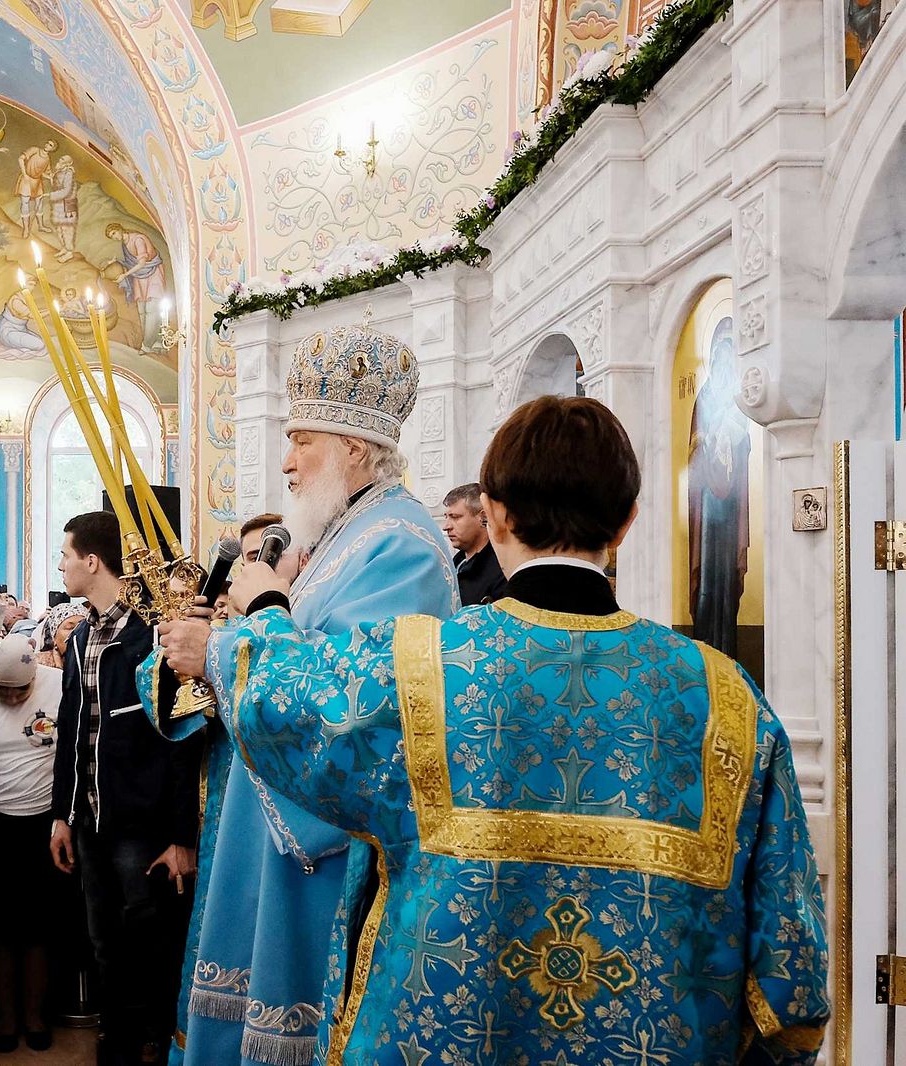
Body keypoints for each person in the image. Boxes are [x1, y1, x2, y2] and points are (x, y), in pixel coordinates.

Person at [162, 396, 831, 1063]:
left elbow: (287, 702)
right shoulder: (728, 699)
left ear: (496, 515)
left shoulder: (418, 667)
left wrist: (264, 617)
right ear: (626, 521)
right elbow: (790, 977)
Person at [142, 327, 457, 1066]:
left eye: (300, 440)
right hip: (266, 836)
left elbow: (353, 712)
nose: (285, 462)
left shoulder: (400, 544)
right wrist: (201, 655)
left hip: (322, 859)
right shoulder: (349, 536)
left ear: (352, 447)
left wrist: (241, 633)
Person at [49, 511, 201, 1066]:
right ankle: (114, 1044)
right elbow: (73, 731)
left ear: (92, 562)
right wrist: (60, 815)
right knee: (104, 946)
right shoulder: (83, 636)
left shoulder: (151, 639)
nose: (61, 564)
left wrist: (182, 836)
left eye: (66, 554)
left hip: (141, 826)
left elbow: (180, 740)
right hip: (87, 822)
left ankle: (157, 1044)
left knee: (152, 945)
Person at [0, 634, 65, 1052]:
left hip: (43, 825)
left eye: (19, 689)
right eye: (0, 688)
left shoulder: (58, 684)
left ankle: (35, 1015)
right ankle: (4, 1017)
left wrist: (64, 821)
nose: (9, 696)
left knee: (38, 927)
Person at [443, 481, 507, 604]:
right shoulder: (452, 564)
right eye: (446, 517)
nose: (446, 527)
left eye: (455, 517)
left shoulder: (501, 568)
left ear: (483, 517)